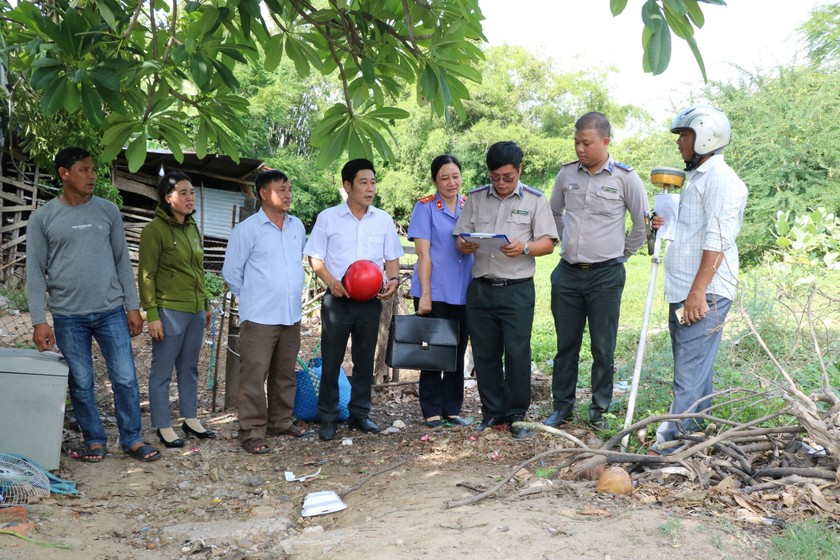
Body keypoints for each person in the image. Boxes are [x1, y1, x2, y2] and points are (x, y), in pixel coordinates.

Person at [25, 147, 161, 463]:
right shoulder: (43, 218)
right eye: (84, 170)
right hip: (67, 315)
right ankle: (94, 440)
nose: (92, 175)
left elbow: (122, 261)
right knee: (81, 381)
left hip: (111, 310)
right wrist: (38, 321)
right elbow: (34, 272)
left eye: (93, 170)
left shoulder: (107, 211)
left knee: (126, 377)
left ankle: (132, 438)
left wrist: (132, 306)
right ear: (64, 173)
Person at [652, 105, 748, 450]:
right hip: (685, 289)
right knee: (696, 370)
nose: (680, 143)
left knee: (689, 373)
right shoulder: (697, 178)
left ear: (706, 136)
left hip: (703, 292)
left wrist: (698, 293)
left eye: (685, 136)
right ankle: (696, 439)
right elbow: (692, 229)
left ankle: (671, 446)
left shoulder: (723, 181)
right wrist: (665, 223)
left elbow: (718, 239)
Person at [546, 112, 649, 430]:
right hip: (568, 273)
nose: (579, 148)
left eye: (586, 143)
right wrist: (568, 241)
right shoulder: (566, 175)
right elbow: (554, 212)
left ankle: (599, 409)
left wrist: (622, 255)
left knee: (603, 346)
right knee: (566, 345)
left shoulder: (625, 178)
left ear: (605, 142)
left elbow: (642, 223)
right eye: (576, 142)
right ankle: (562, 406)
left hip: (606, 275)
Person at [453, 141, 557, 438]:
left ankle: (516, 414)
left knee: (516, 352)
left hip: (517, 289)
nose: (500, 183)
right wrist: (466, 243)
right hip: (481, 288)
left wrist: (524, 247)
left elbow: (548, 243)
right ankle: (491, 412)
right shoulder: (474, 198)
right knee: (485, 353)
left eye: (508, 177)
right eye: (495, 177)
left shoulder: (535, 200)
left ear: (520, 170)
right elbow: (460, 238)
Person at [304, 158, 404, 441]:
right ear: (347, 186)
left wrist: (394, 281)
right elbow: (316, 257)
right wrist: (330, 282)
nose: (370, 188)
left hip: (370, 301)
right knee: (331, 359)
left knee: (364, 359)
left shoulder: (383, 220)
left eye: (373, 182)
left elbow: (392, 258)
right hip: (338, 299)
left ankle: (360, 413)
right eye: (363, 182)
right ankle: (328, 416)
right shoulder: (328, 217)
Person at [223, 170, 312, 454]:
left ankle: (280, 421)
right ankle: (251, 430)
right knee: (254, 375)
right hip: (260, 316)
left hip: (290, 314)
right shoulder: (247, 230)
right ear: (264, 193)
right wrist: (256, 297)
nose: (287, 195)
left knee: (284, 373)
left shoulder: (297, 226)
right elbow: (232, 274)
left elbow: (296, 263)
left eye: (289, 189)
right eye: (281, 189)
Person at [138, 172, 215, 449]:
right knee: (163, 370)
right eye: (183, 192)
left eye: (191, 192)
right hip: (169, 310)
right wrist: (153, 315)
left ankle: (190, 418)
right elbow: (146, 275)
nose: (189, 198)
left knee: (189, 367)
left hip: (195, 310)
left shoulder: (192, 228)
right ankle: (162, 424)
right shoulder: (154, 231)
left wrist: (205, 304)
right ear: (168, 198)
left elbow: (199, 270)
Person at [407, 154, 474, 428]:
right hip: (433, 291)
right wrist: (425, 294)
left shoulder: (469, 206)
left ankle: (452, 409)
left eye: (455, 176)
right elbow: (423, 254)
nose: (451, 182)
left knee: (457, 351)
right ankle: (431, 409)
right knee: (433, 352)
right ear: (435, 180)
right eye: (444, 177)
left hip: (464, 291)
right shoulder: (425, 208)